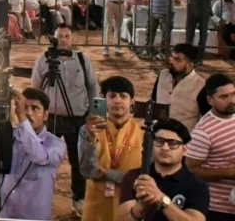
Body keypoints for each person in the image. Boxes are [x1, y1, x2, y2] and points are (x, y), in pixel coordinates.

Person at [0, 87, 66, 219]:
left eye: (35, 108)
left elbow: (38, 156)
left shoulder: (56, 144)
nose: (29, 113)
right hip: (6, 215)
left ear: (45, 115)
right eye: (25, 107)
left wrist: (22, 118)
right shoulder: (8, 134)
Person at [31, 24, 98, 214]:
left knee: (78, 160)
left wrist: (93, 114)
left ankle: (79, 198)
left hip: (76, 118)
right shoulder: (43, 61)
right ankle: (38, 196)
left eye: (67, 36)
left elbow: (93, 87)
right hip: (50, 118)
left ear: (72, 39)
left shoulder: (83, 61)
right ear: (55, 38)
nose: (64, 39)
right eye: (60, 36)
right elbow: (35, 89)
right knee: (42, 157)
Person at [80, 76, 145, 221]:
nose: (117, 100)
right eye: (112, 96)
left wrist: (105, 172)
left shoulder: (144, 133)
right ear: (104, 100)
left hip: (129, 206)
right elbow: (87, 171)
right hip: (97, 206)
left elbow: (144, 177)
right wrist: (92, 138)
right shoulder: (88, 130)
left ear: (132, 101)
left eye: (123, 96)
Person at [117, 118, 209, 221]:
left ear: (184, 149)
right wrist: (141, 207)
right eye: (159, 141)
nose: (165, 148)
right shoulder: (135, 176)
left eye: (173, 143)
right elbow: (122, 218)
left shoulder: (196, 185)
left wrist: (161, 199)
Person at [186, 73, 235, 221]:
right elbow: (191, 170)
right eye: (224, 97)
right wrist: (229, 172)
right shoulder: (203, 132)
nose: (231, 100)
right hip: (218, 209)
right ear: (210, 100)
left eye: (233, 94)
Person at [150, 44, 206, 132]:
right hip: (158, 133)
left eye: (177, 59)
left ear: (190, 63)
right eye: (172, 57)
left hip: (184, 136)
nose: (171, 62)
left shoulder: (201, 85)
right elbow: (153, 101)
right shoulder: (162, 75)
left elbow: (204, 118)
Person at [184, 0, 216, 64]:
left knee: (203, 35)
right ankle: (188, 57)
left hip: (204, 11)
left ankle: (200, 58)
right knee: (189, 34)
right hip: (192, 11)